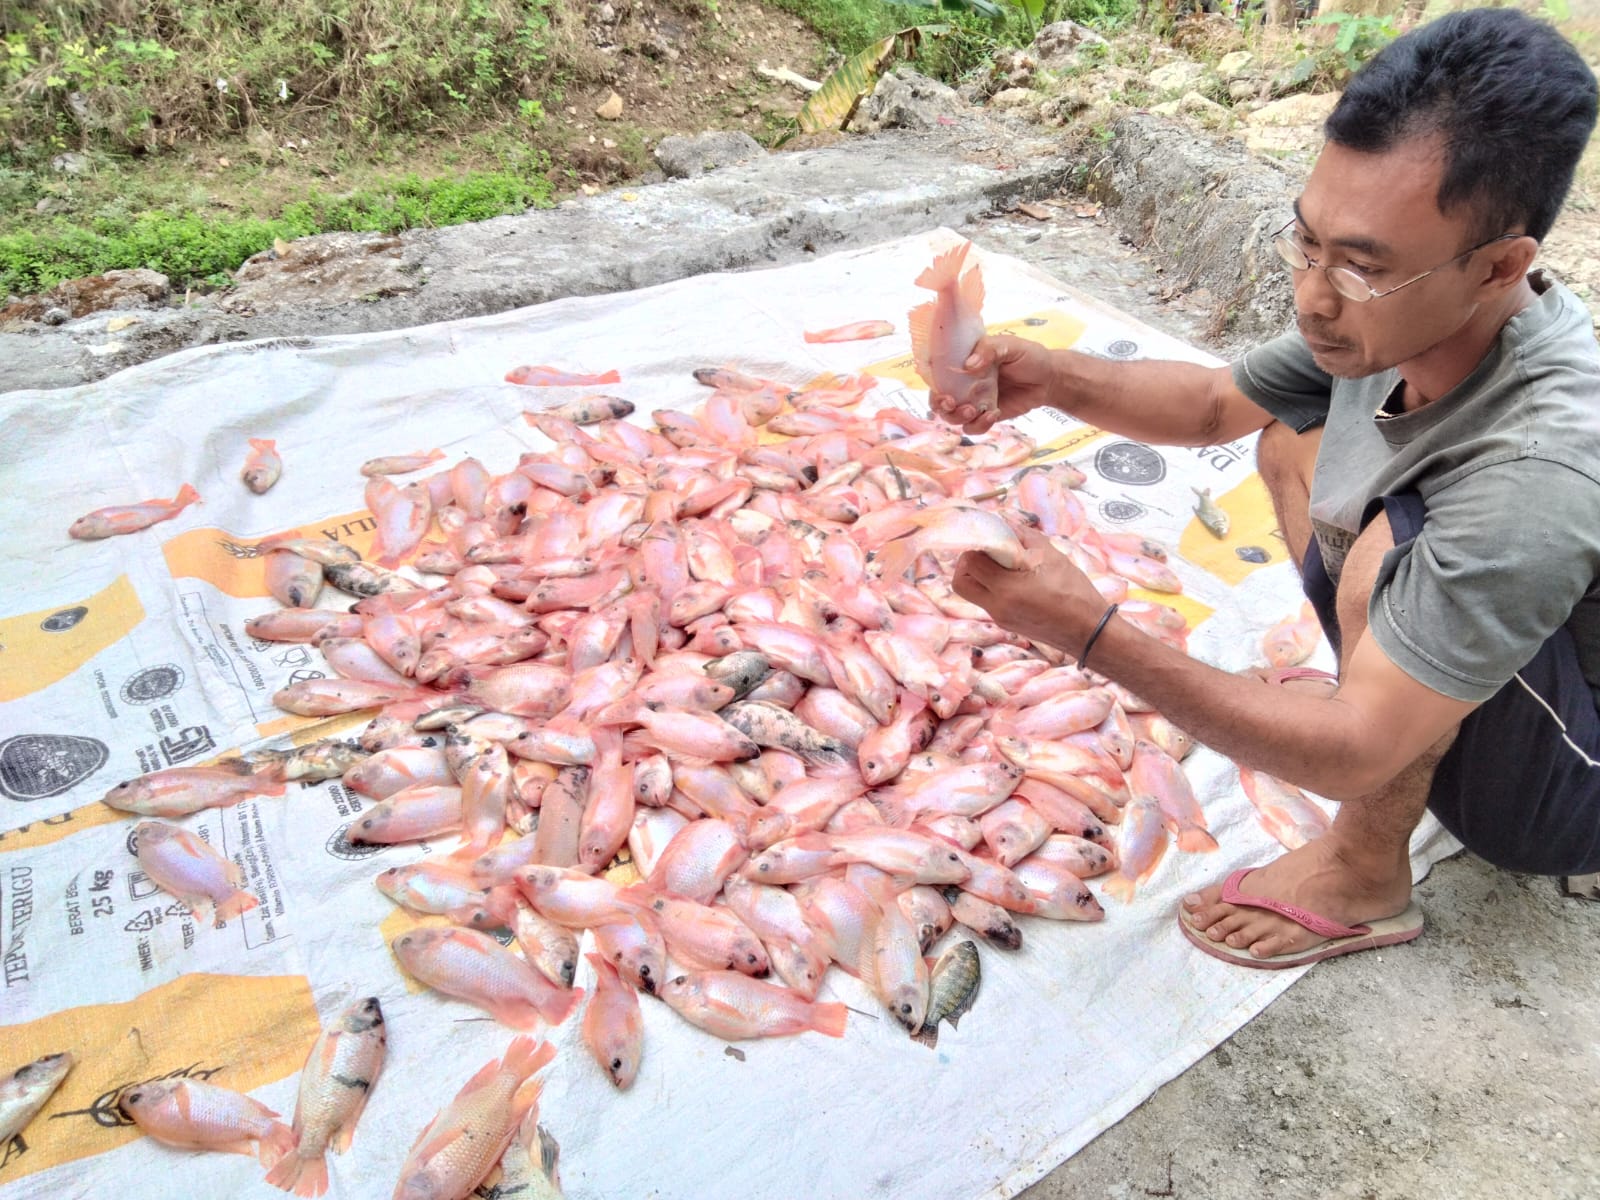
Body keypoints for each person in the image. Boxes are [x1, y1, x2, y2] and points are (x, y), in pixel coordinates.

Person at [933, 6, 1600, 968]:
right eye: (1307, 241)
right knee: (1296, 439)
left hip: (1569, 786)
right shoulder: (1400, 314)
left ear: (1501, 266)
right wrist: (1045, 375)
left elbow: (1361, 749)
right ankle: (1387, 673)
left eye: (1360, 266)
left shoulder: (1536, 470)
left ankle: (1366, 877)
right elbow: (1214, 405)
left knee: (1387, 557)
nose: (1313, 294)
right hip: (1487, 651)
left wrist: (1088, 630)